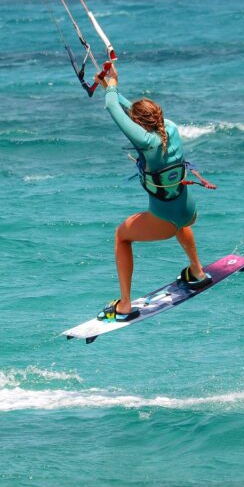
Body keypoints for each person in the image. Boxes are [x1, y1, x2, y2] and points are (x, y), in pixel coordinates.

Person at [96, 63, 213, 321]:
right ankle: (197, 272)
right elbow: (129, 111)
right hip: (188, 212)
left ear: (140, 127)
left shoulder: (147, 142)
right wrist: (108, 87)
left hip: (165, 222)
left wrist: (112, 91)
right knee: (178, 217)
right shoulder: (169, 127)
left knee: (121, 236)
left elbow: (114, 110)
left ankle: (124, 305)